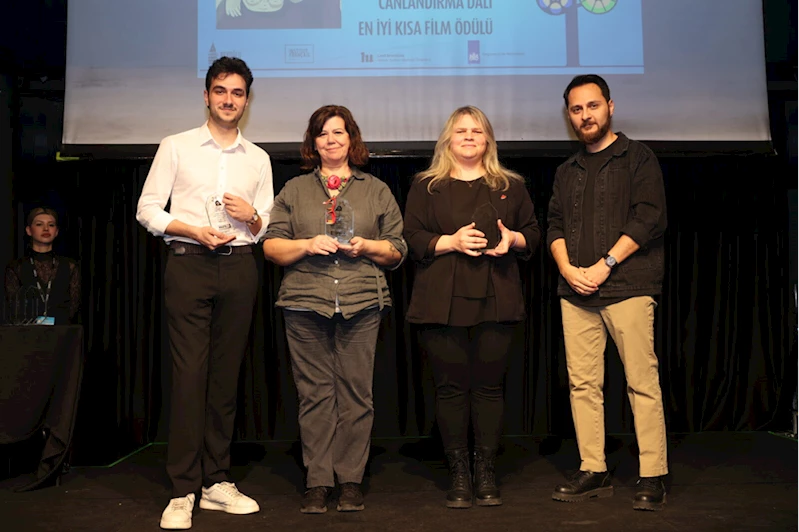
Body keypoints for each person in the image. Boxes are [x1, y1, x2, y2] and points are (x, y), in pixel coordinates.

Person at [136, 56, 274, 530]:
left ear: (247, 100)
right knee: (190, 377)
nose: (229, 100)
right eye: (220, 91)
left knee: (225, 379)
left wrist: (252, 216)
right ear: (207, 95)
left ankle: (216, 483)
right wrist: (193, 229)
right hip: (189, 265)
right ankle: (182, 491)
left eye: (237, 93)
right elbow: (148, 209)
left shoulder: (258, 158)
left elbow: (266, 225)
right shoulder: (175, 146)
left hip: (239, 269)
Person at [262, 104, 407, 514]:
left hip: (363, 301)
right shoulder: (293, 190)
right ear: (313, 142)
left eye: (339, 132)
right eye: (323, 133)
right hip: (305, 302)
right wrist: (306, 245)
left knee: (357, 395)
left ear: (351, 139)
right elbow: (271, 246)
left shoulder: (376, 189)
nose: (331, 139)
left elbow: (398, 250)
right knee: (314, 396)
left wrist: (369, 245)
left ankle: (350, 480)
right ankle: (318, 481)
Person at [403, 106, 541, 509]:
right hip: (440, 300)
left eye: (476, 131)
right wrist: (452, 241)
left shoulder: (510, 186)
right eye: (460, 131)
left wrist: (512, 239)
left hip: (496, 297)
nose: (468, 137)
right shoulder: (426, 186)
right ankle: (459, 474)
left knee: (487, 388)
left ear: (487, 141)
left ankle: (485, 471)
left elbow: (533, 234)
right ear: (448, 139)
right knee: (449, 390)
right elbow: (410, 237)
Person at [547, 74, 669, 511]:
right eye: (577, 110)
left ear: (610, 107)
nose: (586, 115)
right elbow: (555, 225)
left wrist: (604, 265)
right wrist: (567, 268)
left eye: (592, 106)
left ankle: (653, 473)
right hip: (575, 291)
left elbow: (648, 218)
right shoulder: (566, 171)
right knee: (583, 385)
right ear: (570, 116)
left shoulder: (638, 158)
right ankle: (593, 468)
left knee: (642, 383)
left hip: (629, 287)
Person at [4, 207, 80, 325]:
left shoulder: (69, 266)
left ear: (56, 232)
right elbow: (13, 307)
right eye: (39, 224)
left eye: (51, 225)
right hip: (26, 335)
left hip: (62, 334)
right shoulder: (16, 267)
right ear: (29, 230)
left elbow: (73, 306)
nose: (46, 228)